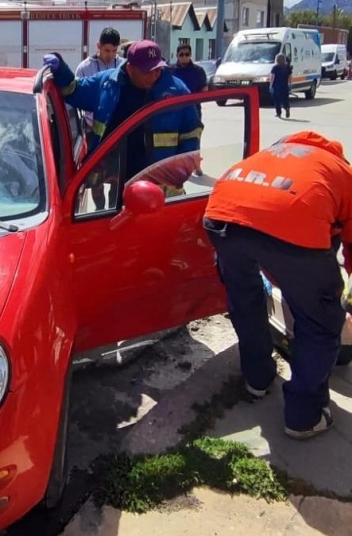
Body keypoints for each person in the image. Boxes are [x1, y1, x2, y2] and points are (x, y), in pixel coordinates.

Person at [203, 131, 352, 440]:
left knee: (246, 299)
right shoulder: (340, 170)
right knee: (321, 323)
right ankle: (304, 417)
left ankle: (257, 379)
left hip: (220, 221)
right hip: (286, 226)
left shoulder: (269, 156)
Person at [42, 40, 202, 207]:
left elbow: (192, 130)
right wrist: (61, 69)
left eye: (158, 68)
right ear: (130, 67)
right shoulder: (107, 84)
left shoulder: (177, 90)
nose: (155, 74)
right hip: (119, 182)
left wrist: (181, 170)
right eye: (148, 71)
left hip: (161, 189)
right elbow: (73, 90)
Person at [75, 27, 123, 209]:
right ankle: (100, 210)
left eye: (113, 50)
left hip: (118, 132)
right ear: (98, 46)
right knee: (95, 179)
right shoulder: (85, 68)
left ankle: (113, 210)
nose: (110, 55)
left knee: (118, 178)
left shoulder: (123, 67)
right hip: (93, 133)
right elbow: (77, 99)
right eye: (106, 50)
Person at [171, 43, 208, 175]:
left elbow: (204, 89)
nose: (184, 57)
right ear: (177, 56)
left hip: (194, 111)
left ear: (190, 55)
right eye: (181, 54)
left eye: (187, 54)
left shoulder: (198, 71)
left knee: (195, 140)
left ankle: (197, 166)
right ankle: (179, 167)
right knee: (175, 140)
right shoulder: (171, 71)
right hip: (175, 112)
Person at [270, 53, 292, 118]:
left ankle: (278, 113)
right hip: (285, 85)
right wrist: (290, 84)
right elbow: (290, 76)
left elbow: (272, 77)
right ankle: (287, 108)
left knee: (277, 100)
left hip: (276, 86)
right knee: (285, 98)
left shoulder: (275, 67)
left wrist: (270, 86)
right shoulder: (287, 67)